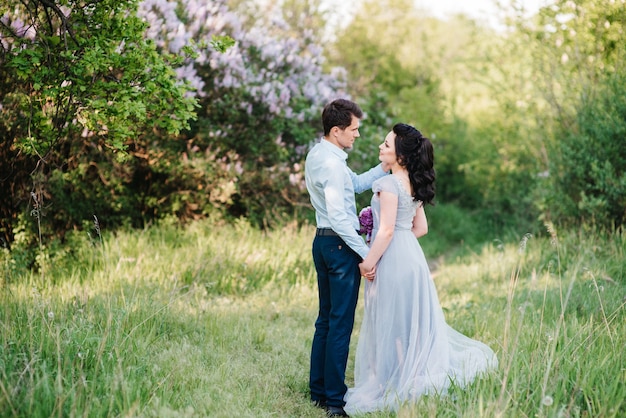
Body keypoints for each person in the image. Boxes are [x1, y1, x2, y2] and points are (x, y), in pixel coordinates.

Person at [343, 123, 498, 414]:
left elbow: (386, 231)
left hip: (391, 258)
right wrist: (400, 244)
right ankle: (407, 374)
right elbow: (421, 228)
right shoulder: (412, 183)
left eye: (386, 145)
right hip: (411, 257)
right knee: (407, 319)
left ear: (400, 156)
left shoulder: (387, 185)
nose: (380, 147)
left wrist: (368, 261)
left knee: (389, 318)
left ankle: (390, 380)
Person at [305, 99, 389, 417]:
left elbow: (353, 185)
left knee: (326, 320)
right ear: (336, 130)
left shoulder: (322, 154)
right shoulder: (330, 163)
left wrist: (385, 168)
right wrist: (366, 254)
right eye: (353, 130)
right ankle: (335, 403)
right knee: (339, 323)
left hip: (323, 242)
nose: (357, 135)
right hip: (339, 246)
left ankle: (319, 391)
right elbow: (341, 218)